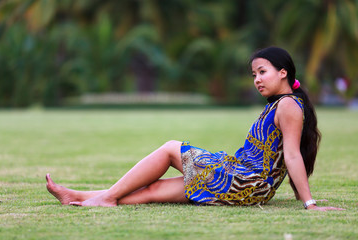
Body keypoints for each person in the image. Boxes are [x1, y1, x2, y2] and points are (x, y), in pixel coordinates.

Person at [46, 47, 344, 211]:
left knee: (170, 148)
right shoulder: (277, 104)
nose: (256, 79)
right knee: (155, 190)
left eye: (262, 72)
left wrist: (309, 203)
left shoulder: (289, 106)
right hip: (240, 175)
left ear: (283, 73)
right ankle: (82, 197)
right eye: (254, 74)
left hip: (248, 182)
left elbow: (292, 155)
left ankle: (104, 198)